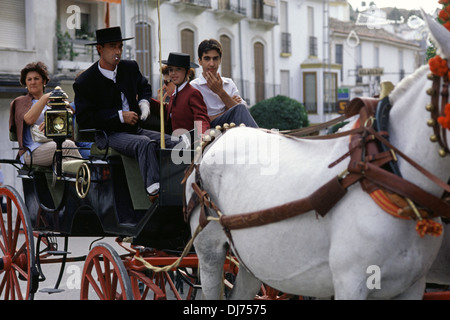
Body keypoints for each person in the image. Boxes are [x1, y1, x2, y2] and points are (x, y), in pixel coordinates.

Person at [73, 26, 181, 201]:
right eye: (113, 46)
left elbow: (144, 86)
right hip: (108, 135)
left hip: (134, 130)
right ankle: (154, 191)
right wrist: (120, 116)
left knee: (176, 142)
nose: (118, 51)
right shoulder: (85, 81)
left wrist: (144, 103)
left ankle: (181, 185)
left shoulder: (129, 67)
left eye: (120, 47)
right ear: (100, 49)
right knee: (145, 143)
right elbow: (85, 119)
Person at [9, 61, 82, 167]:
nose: (32, 82)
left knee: (65, 162)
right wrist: (45, 97)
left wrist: (52, 124)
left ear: (44, 81)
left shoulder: (54, 102)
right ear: (26, 83)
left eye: (36, 79)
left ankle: (72, 180)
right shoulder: (21, 101)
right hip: (32, 151)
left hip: (54, 145)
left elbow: (68, 120)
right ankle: (88, 178)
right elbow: (28, 120)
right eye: (29, 79)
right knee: (68, 146)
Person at [190, 39, 258, 128]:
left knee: (240, 108)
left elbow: (244, 113)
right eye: (207, 59)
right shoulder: (193, 87)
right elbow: (199, 120)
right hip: (209, 129)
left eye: (215, 58)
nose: (211, 64)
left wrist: (221, 92)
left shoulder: (229, 83)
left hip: (233, 127)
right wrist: (227, 110)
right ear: (200, 61)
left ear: (220, 60)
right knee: (238, 108)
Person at [152, 53, 210, 140]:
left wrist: (202, 137)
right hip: (175, 139)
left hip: (187, 143)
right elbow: (169, 110)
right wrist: (147, 101)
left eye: (178, 69)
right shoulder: (175, 93)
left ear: (188, 72)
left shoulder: (192, 93)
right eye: (171, 70)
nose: (173, 73)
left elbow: (201, 118)